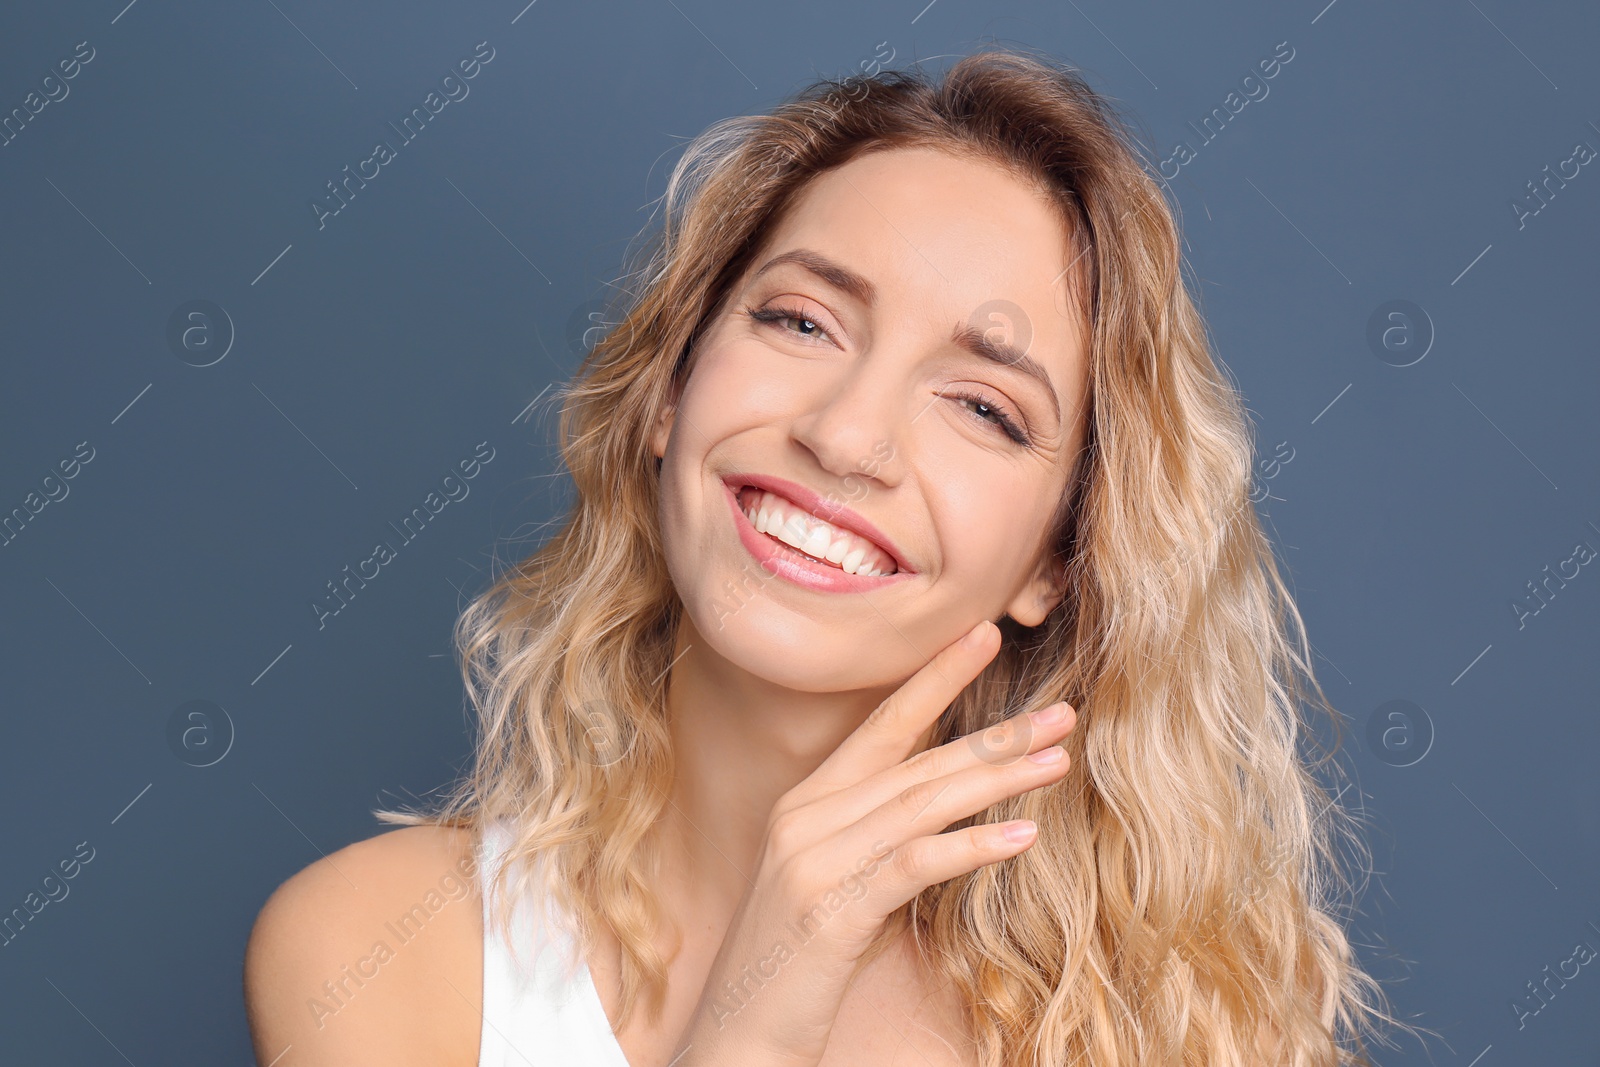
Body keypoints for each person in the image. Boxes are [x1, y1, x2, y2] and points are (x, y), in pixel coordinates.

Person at [244, 47, 1408, 1066]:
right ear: (669, 387)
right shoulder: (376, 946)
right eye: (801, 321)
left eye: (984, 407)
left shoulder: (1165, 1029)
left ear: (1057, 560)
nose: (845, 434)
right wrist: (754, 1020)